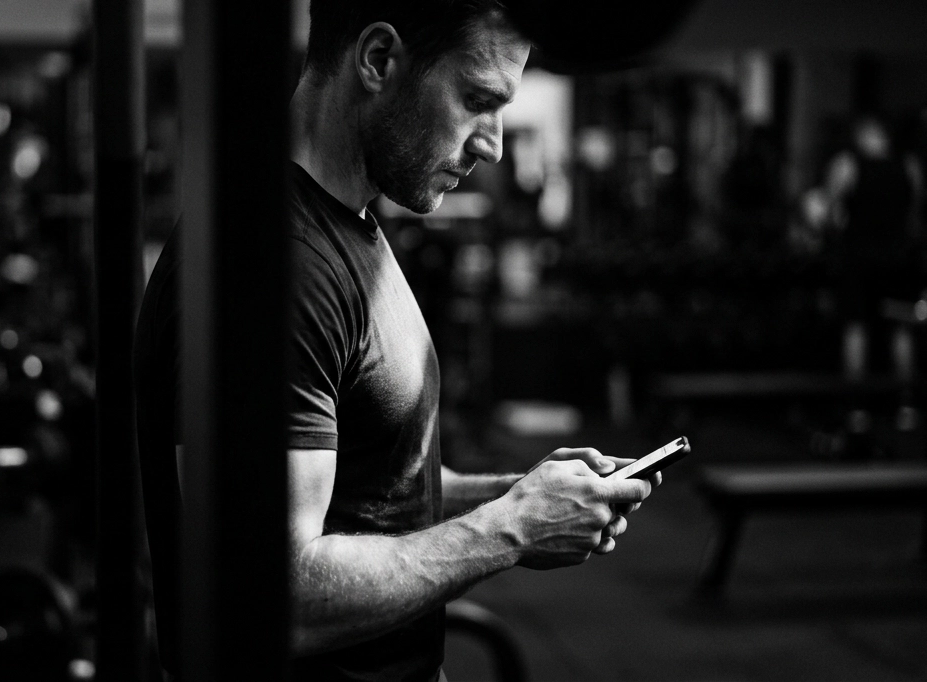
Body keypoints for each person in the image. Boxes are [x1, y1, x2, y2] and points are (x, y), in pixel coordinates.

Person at [136, 2, 660, 679]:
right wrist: (511, 528)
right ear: (379, 60)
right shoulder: (271, 265)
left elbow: (372, 483)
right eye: (477, 100)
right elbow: (262, 598)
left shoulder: (345, 225)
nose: (494, 145)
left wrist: (519, 495)